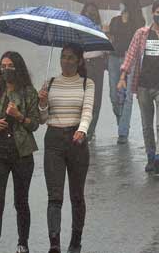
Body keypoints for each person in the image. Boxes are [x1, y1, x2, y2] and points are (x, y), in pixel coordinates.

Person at [0, 51, 40, 253]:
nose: (6, 70)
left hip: (22, 154)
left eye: (10, 66)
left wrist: (19, 116)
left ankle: (22, 243)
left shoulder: (29, 93)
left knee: (21, 202)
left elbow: (34, 125)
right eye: (2, 66)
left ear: (18, 68)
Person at [38, 44, 95, 253]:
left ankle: (76, 241)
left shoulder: (86, 84)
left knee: (77, 195)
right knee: (54, 196)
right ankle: (54, 243)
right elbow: (42, 119)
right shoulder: (50, 83)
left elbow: (88, 111)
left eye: (71, 58)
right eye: (63, 57)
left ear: (79, 61)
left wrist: (82, 130)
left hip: (76, 141)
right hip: (53, 140)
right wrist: (42, 103)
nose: (66, 61)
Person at [118, 0, 159, 175]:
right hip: (143, 86)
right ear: (153, 13)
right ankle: (150, 156)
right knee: (147, 125)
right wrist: (123, 75)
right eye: (158, 12)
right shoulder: (141, 33)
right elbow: (131, 54)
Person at [106, 0, 146, 144]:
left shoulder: (138, 22)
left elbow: (139, 42)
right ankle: (121, 119)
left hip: (132, 60)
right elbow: (111, 38)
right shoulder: (115, 21)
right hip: (114, 58)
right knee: (114, 95)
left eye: (122, 2)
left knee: (128, 95)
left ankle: (123, 131)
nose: (119, 5)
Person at [80, 3, 107, 142]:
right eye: (88, 13)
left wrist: (107, 36)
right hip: (85, 64)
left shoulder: (102, 29)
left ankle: (90, 132)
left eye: (93, 13)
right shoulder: (79, 29)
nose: (90, 16)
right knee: (84, 99)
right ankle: (83, 128)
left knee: (96, 100)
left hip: (98, 64)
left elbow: (107, 49)